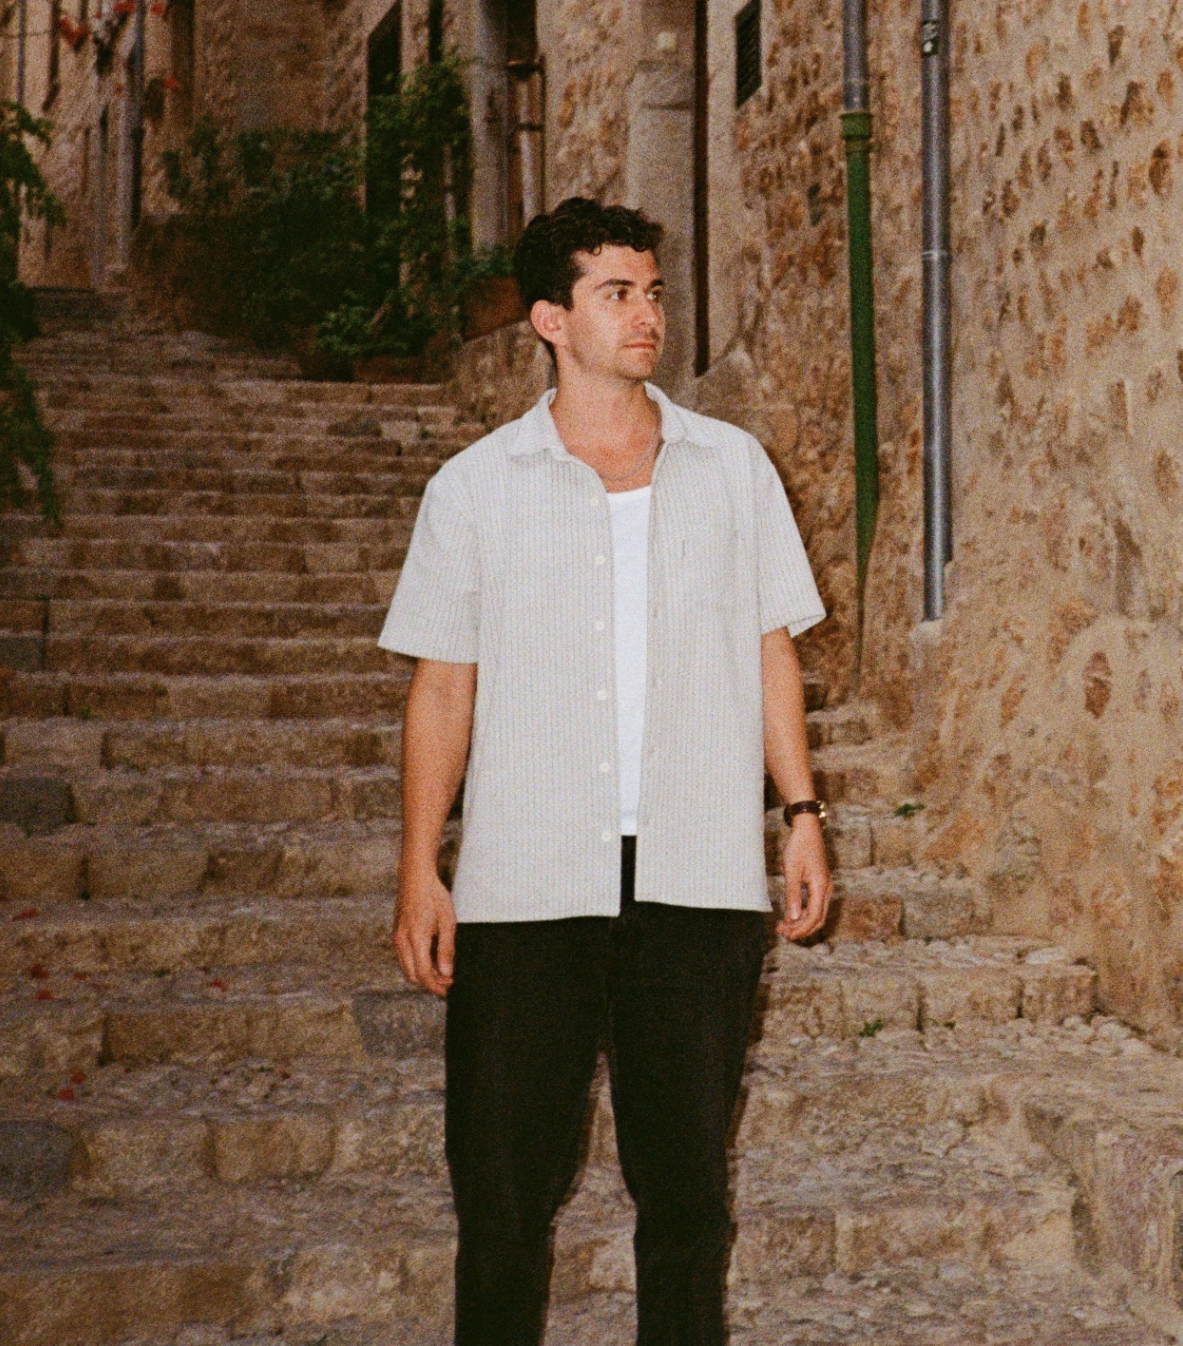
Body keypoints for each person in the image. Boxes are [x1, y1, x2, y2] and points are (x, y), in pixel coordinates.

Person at [379, 196, 831, 1346]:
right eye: (616, 293)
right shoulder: (474, 487)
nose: (647, 315)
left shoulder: (732, 468)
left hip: (695, 876)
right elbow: (442, 687)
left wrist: (801, 810)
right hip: (526, 883)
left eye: (653, 291)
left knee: (686, 1198)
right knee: (500, 1197)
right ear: (550, 318)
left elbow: (769, 648)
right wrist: (420, 866)